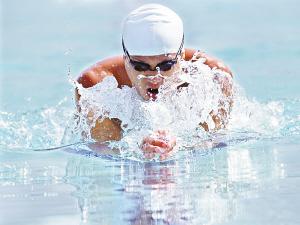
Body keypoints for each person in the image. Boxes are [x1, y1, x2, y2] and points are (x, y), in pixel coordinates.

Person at [76, 4, 233, 160]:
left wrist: (180, 145)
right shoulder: (94, 85)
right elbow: (105, 149)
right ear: (126, 59)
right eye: (140, 66)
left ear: (181, 56)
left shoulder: (215, 76)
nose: (154, 77)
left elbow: (214, 140)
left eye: (166, 65)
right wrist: (137, 146)